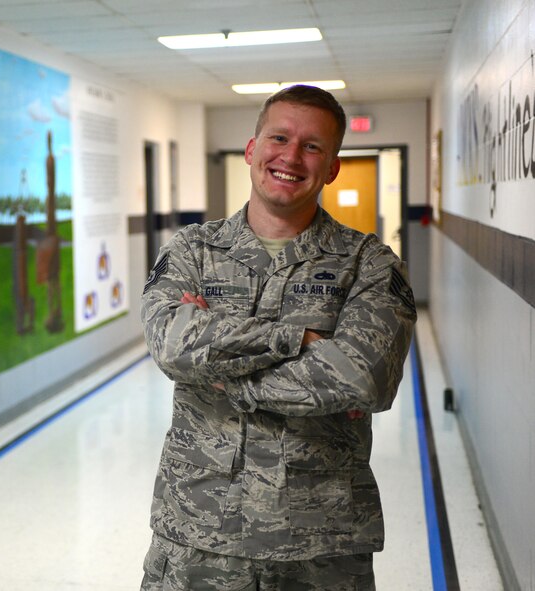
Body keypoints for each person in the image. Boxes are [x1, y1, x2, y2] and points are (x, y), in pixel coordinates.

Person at [139, 85, 417, 590]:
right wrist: (300, 340)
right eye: (279, 138)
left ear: (332, 167)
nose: (291, 156)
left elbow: (362, 378)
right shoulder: (193, 250)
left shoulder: (369, 264)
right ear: (252, 150)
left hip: (320, 542)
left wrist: (227, 379)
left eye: (313, 146)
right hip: (198, 530)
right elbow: (174, 346)